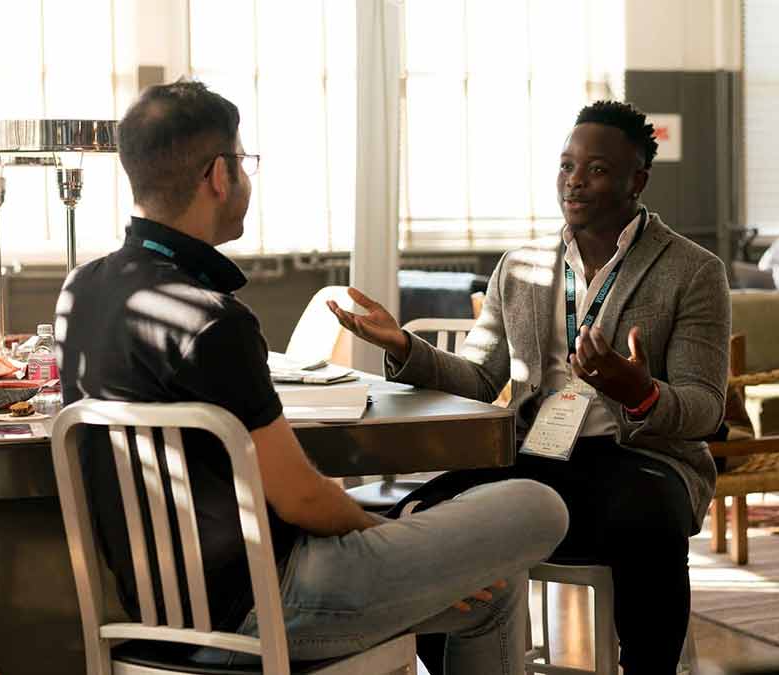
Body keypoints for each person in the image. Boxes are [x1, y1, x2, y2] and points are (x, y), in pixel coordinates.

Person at [55, 80, 568, 674]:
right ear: (219, 175)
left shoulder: (82, 290)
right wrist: (380, 530)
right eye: (244, 163)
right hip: (268, 605)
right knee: (539, 504)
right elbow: (299, 498)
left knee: (493, 589)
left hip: (153, 612)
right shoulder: (213, 321)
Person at [330, 100, 731, 674]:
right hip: (534, 455)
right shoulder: (519, 266)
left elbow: (704, 409)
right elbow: (478, 380)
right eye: (566, 166)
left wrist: (638, 391)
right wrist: (403, 348)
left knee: (652, 518)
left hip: (638, 460)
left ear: (636, 179)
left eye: (596, 169)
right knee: (426, 519)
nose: (575, 181)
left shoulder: (692, 270)